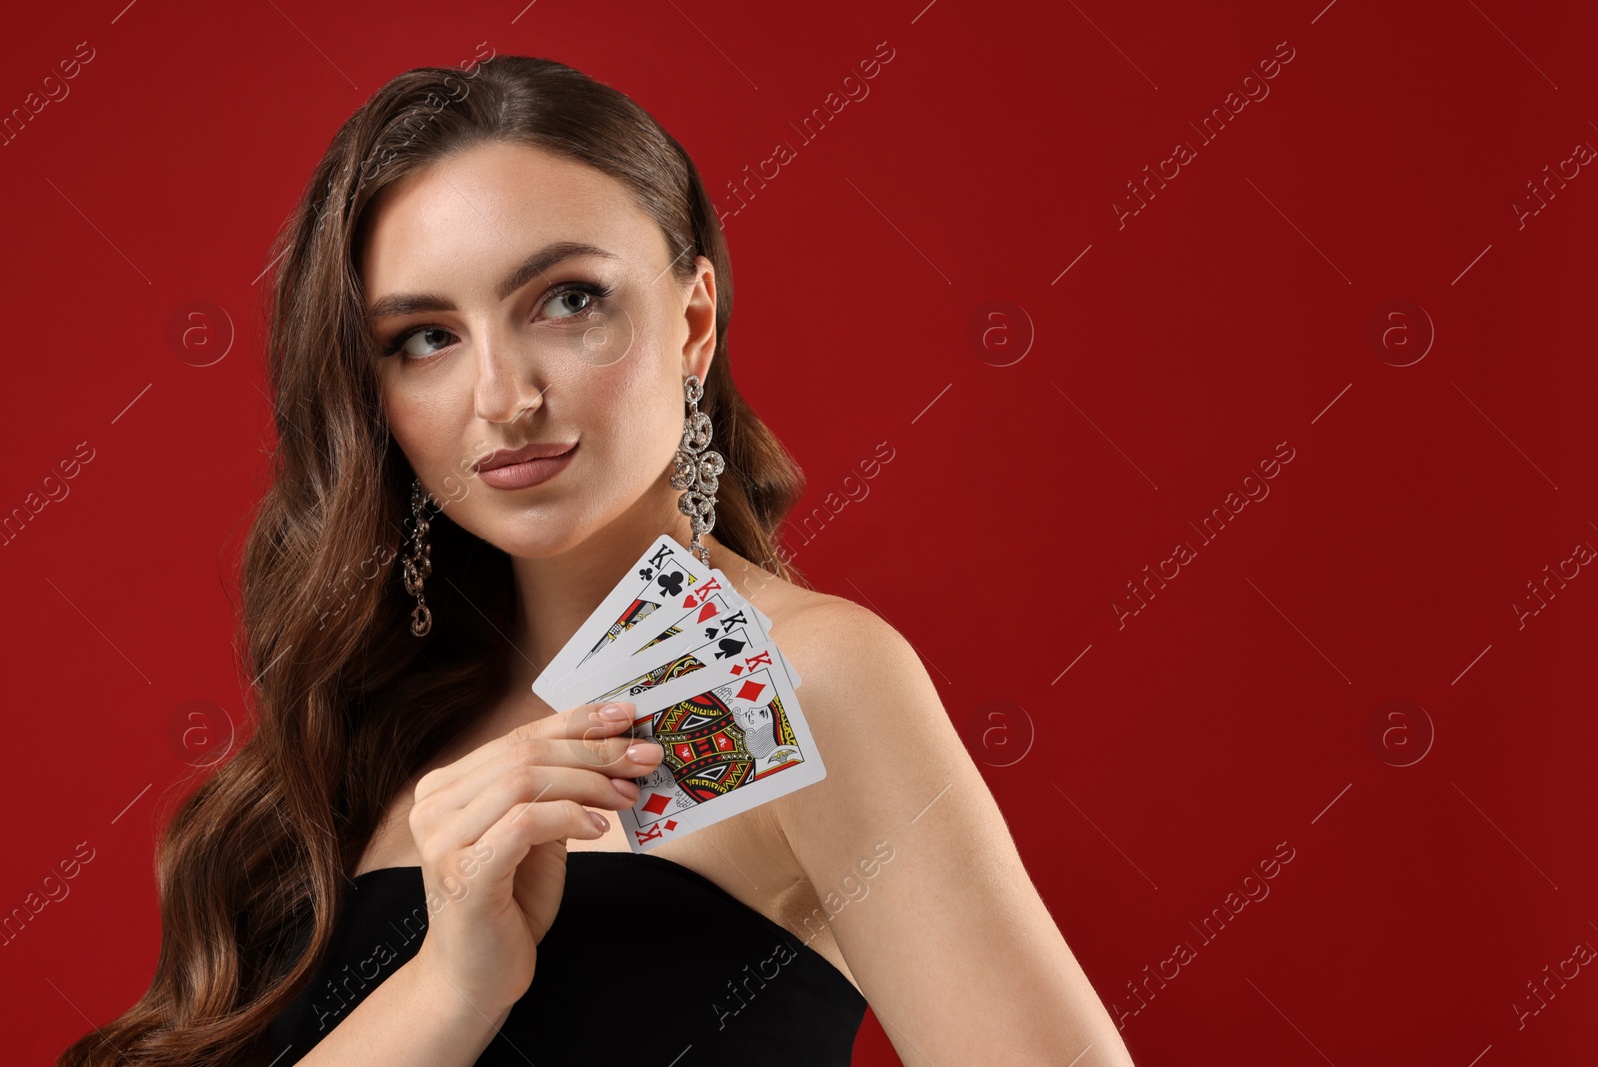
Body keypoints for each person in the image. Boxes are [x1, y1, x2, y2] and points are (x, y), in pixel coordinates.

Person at [56, 54, 1136, 1067]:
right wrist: (449, 987)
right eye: (425, 337)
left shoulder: (798, 674)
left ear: (693, 322)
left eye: (568, 299)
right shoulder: (361, 725)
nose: (504, 397)